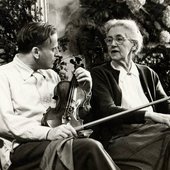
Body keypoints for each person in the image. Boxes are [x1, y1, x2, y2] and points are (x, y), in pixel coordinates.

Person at [0, 22, 120, 170]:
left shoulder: (51, 75)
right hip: (21, 147)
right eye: (53, 49)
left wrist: (85, 90)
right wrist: (48, 132)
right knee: (88, 148)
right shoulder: (3, 75)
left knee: (96, 144)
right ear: (36, 52)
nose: (58, 53)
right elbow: (6, 123)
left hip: (55, 139)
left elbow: (72, 114)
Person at [90, 19, 170, 170]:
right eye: (109, 40)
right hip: (121, 137)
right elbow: (107, 110)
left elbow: (166, 106)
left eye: (119, 39)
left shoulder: (148, 73)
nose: (113, 44)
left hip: (154, 131)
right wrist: (150, 115)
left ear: (133, 44)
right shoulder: (99, 73)